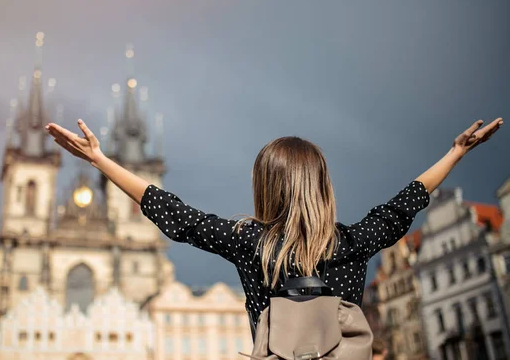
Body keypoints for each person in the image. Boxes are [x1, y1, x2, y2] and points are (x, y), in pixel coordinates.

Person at [46, 117, 503, 337]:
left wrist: (99, 160)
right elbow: (407, 202)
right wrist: (457, 152)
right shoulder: (353, 242)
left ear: (267, 187)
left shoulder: (252, 243)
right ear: (321, 185)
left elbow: (175, 214)